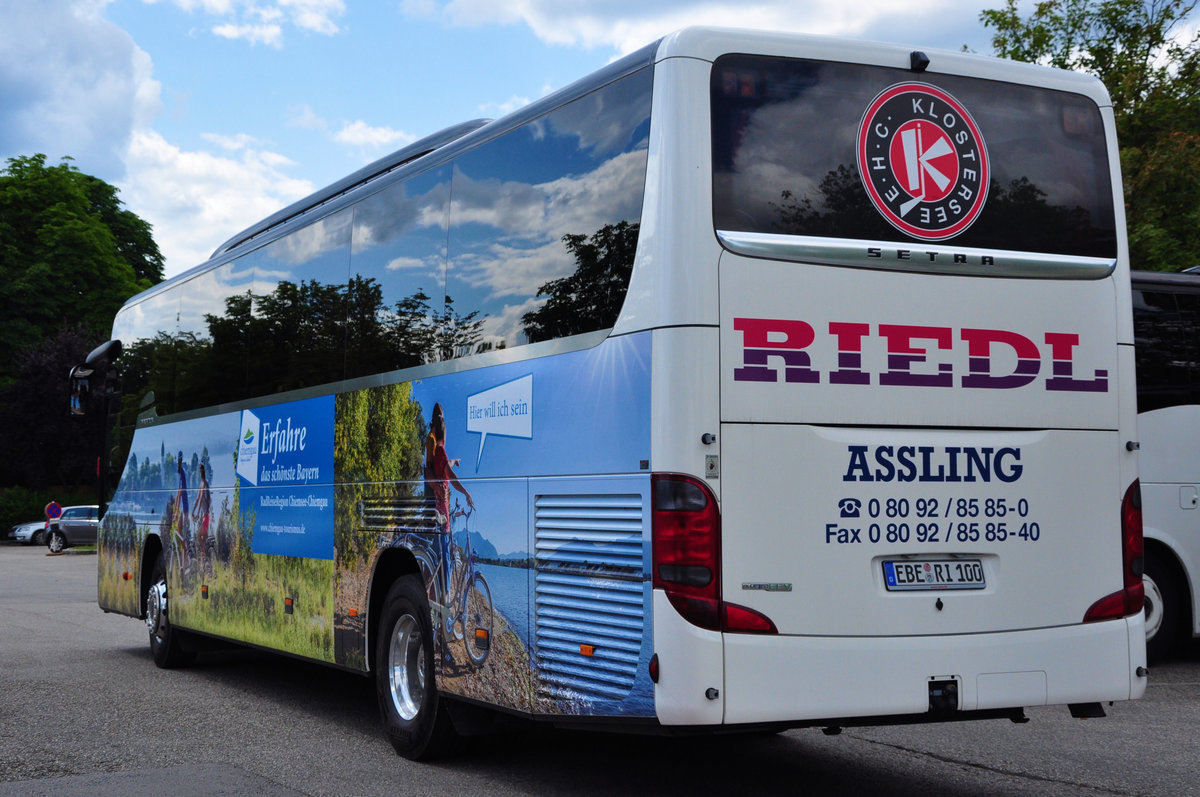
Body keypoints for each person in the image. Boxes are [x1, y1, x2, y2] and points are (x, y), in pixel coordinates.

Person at [191, 463, 212, 572]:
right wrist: (194, 511)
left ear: (202, 472)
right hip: (205, 516)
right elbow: (198, 500)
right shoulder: (202, 484)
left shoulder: (204, 484)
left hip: (206, 517)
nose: (200, 473)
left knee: (200, 536)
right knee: (202, 539)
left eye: (201, 471)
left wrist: (196, 512)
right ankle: (204, 563)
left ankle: (204, 557)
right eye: (200, 471)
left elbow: (201, 500)